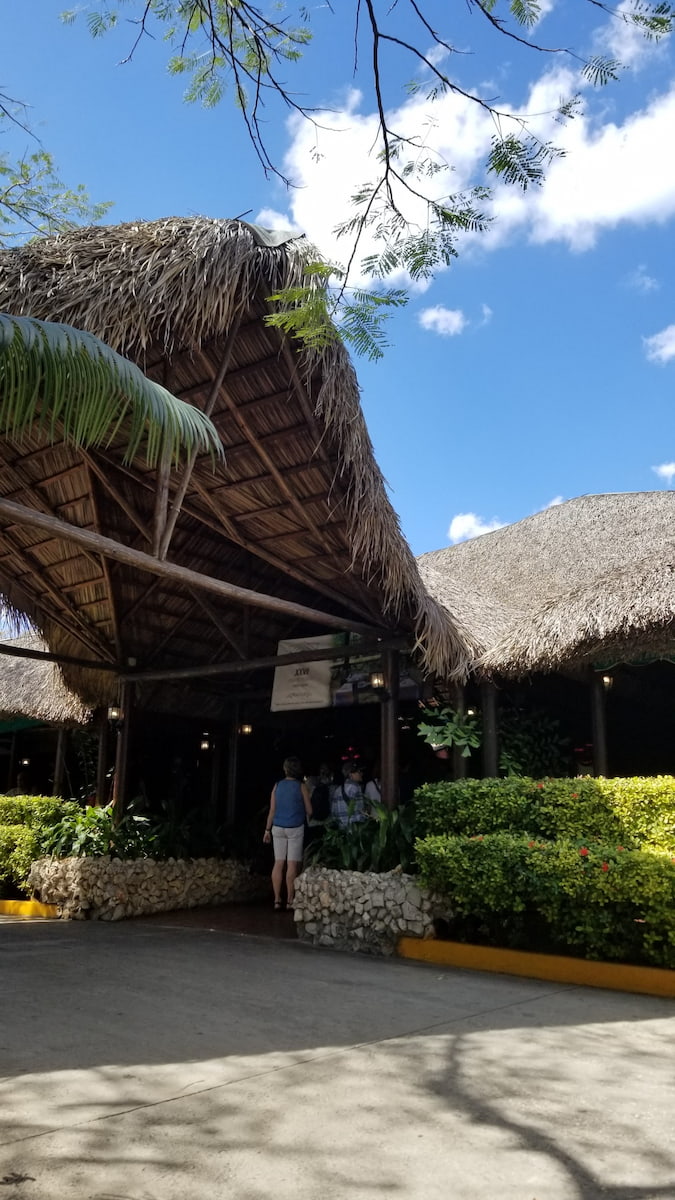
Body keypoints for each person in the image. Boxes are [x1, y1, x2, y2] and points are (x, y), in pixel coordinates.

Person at [263, 756, 312, 910]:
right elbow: (309, 810)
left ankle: (277, 900)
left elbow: (272, 810)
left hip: (277, 827)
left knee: (278, 863)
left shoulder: (277, 786)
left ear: (285, 769)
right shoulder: (301, 786)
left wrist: (267, 830)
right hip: (295, 827)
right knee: (292, 864)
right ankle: (290, 900)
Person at [330, 760, 367, 827]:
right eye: (359, 771)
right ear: (350, 774)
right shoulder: (356, 787)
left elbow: (333, 812)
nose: (362, 773)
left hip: (341, 828)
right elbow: (360, 812)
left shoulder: (338, 789)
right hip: (354, 829)